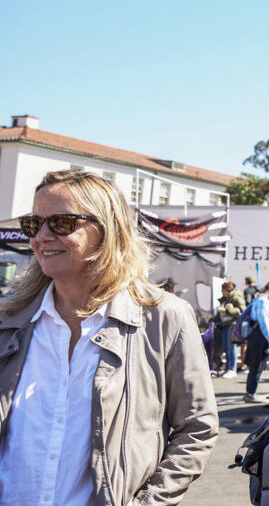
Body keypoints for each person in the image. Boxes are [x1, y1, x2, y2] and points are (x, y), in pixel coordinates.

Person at [0, 170, 218, 505]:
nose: (41, 236)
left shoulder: (163, 318)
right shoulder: (9, 322)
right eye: (33, 224)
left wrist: (148, 502)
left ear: (107, 230)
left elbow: (197, 428)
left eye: (60, 223)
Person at [244, 279, 269, 403]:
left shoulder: (263, 301)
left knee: (258, 366)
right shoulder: (262, 301)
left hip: (260, 336)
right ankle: (250, 394)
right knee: (256, 366)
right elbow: (264, 322)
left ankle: (251, 393)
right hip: (259, 337)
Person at [217, 280, 245, 378]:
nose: (221, 292)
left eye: (222, 290)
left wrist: (227, 310)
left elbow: (242, 310)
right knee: (226, 348)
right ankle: (228, 368)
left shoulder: (237, 297)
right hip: (225, 324)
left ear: (227, 290)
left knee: (231, 347)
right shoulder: (226, 299)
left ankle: (232, 369)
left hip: (233, 324)